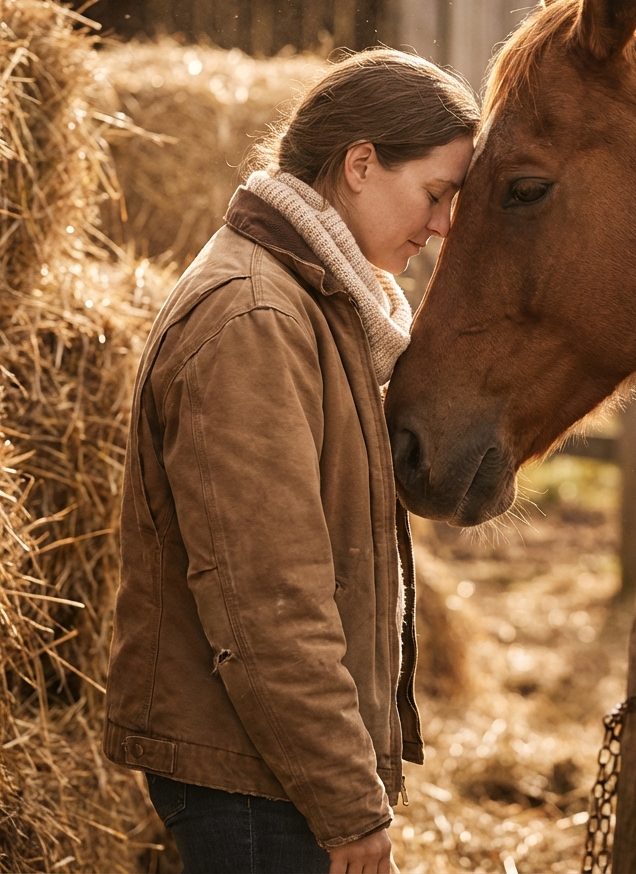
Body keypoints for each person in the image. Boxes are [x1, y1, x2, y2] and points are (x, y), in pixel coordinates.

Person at [103, 49, 480, 874]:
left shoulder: (317, 306)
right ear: (358, 164)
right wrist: (346, 802)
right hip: (252, 780)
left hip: (269, 766)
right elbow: (266, 598)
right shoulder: (257, 318)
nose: (444, 225)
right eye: (437, 194)